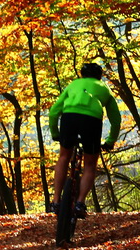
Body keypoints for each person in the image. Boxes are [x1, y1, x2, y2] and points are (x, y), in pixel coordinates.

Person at [48, 62, 121, 218]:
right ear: (99, 76)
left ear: (82, 74)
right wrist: (110, 141)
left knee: (63, 157)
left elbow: (54, 111)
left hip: (69, 118)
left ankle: (55, 202)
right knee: (90, 164)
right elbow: (116, 119)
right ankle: (80, 203)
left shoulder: (73, 85)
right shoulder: (104, 88)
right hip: (92, 122)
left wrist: (55, 133)